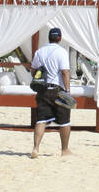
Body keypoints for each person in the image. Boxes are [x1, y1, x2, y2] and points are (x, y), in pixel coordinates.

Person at [30, 27, 71, 158]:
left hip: (42, 89)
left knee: (41, 119)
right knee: (64, 121)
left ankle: (36, 148)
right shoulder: (62, 52)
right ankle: (64, 150)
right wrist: (68, 91)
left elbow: (33, 71)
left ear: (49, 37)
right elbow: (65, 72)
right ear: (59, 38)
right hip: (57, 89)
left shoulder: (39, 52)